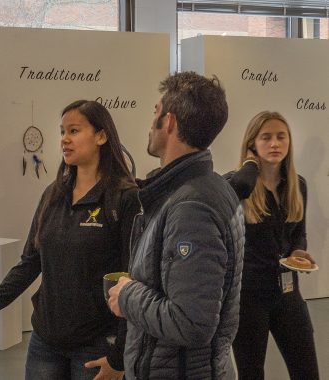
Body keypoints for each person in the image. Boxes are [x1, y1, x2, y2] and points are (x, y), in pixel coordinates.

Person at [0, 100, 140, 380]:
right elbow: (29, 264)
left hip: (96, 345)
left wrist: (120, 356)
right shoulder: (53, 194)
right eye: (62, 132)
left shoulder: (124, 198)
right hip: (45, 341)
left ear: (102, 136)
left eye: (74, 130)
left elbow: (132, 281)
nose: (64, 139)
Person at [107, 71, 245, 380]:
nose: (151, 120)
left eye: (155, 112)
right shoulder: (202, 190)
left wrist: (127, 296)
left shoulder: (192, 208)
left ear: (168, 122)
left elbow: (191, 323)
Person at [224, 111, 319, 380]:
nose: (275, 143)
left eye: (281, 136)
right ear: (252, 144)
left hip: (288, 294)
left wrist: (299, 252)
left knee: (307, 371)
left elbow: (298, 233)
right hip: (248, 298)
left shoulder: (297, 185)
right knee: (252, 373)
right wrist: (250, 165)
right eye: (266, 137)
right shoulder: (238, 184)